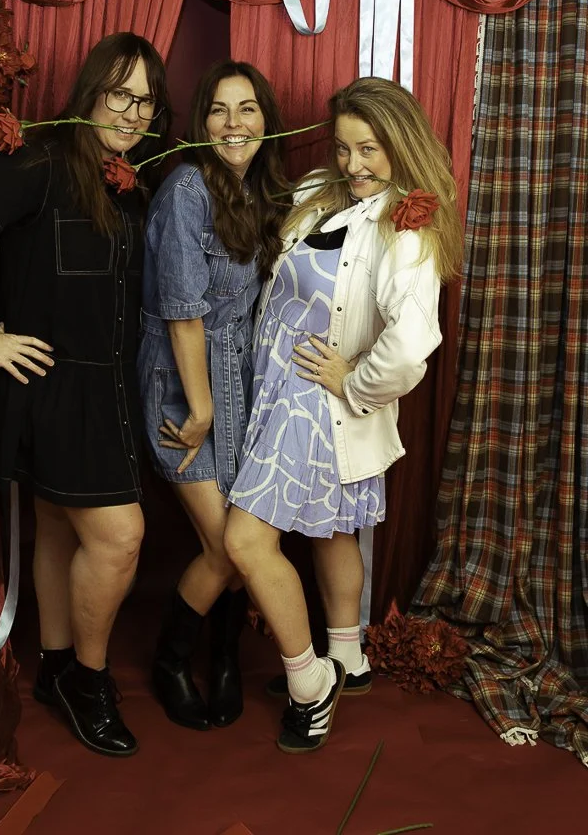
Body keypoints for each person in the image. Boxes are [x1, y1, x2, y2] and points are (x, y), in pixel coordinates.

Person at [0, 32, 171, 758]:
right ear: (89, 92)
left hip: (108, 387)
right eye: (119, 94)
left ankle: (58, 666)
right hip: (51, 386)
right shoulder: (39, 159)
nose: (131, 111)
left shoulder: (128, 178)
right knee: (120, 538)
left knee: (63, 532)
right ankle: (90, 680)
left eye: (146, 100)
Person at [223, 77, 463, 753]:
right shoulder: (318, 194)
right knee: (333, 533)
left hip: (317, 402)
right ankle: (349, 659)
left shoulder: (407, 221)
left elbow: (413, 339)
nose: (355, 165)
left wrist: (355, 381)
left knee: (245, 542)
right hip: (278, 387)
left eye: (372, 150)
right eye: (345, 148)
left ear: (402, 146)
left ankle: (311, 682)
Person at [138, 60, 289, 730]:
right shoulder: (186, 190)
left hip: (244, 382)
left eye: (247, 108)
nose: (234, 123)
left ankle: (223, 657)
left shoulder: (260, 192)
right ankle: (170, 661)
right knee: (227, 544)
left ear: (266, 121)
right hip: (182, 380)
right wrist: (199, 409)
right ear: (201, 125)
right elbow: (182, 313)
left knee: (238, 541)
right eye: (219, 110)